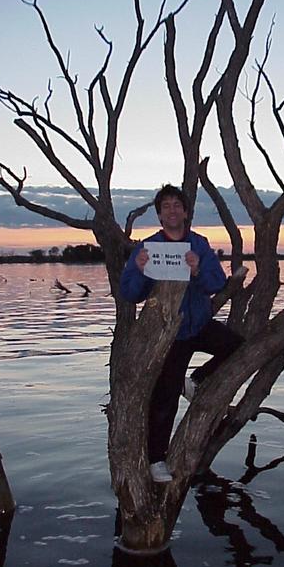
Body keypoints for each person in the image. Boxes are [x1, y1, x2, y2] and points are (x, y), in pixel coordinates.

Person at [120, 184, 244, 482]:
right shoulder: (147, 247)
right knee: (164, 399)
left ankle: (197, 379)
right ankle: (155, 461)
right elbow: (129, 293)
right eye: (166, 206)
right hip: (167, 336)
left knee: (236, 346)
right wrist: (138, 269)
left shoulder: (198, 244)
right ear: (160, 215)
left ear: (186, 212)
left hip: (198, 325)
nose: (172, 210)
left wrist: (199, 269)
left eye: (178, 205)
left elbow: (217, 283)